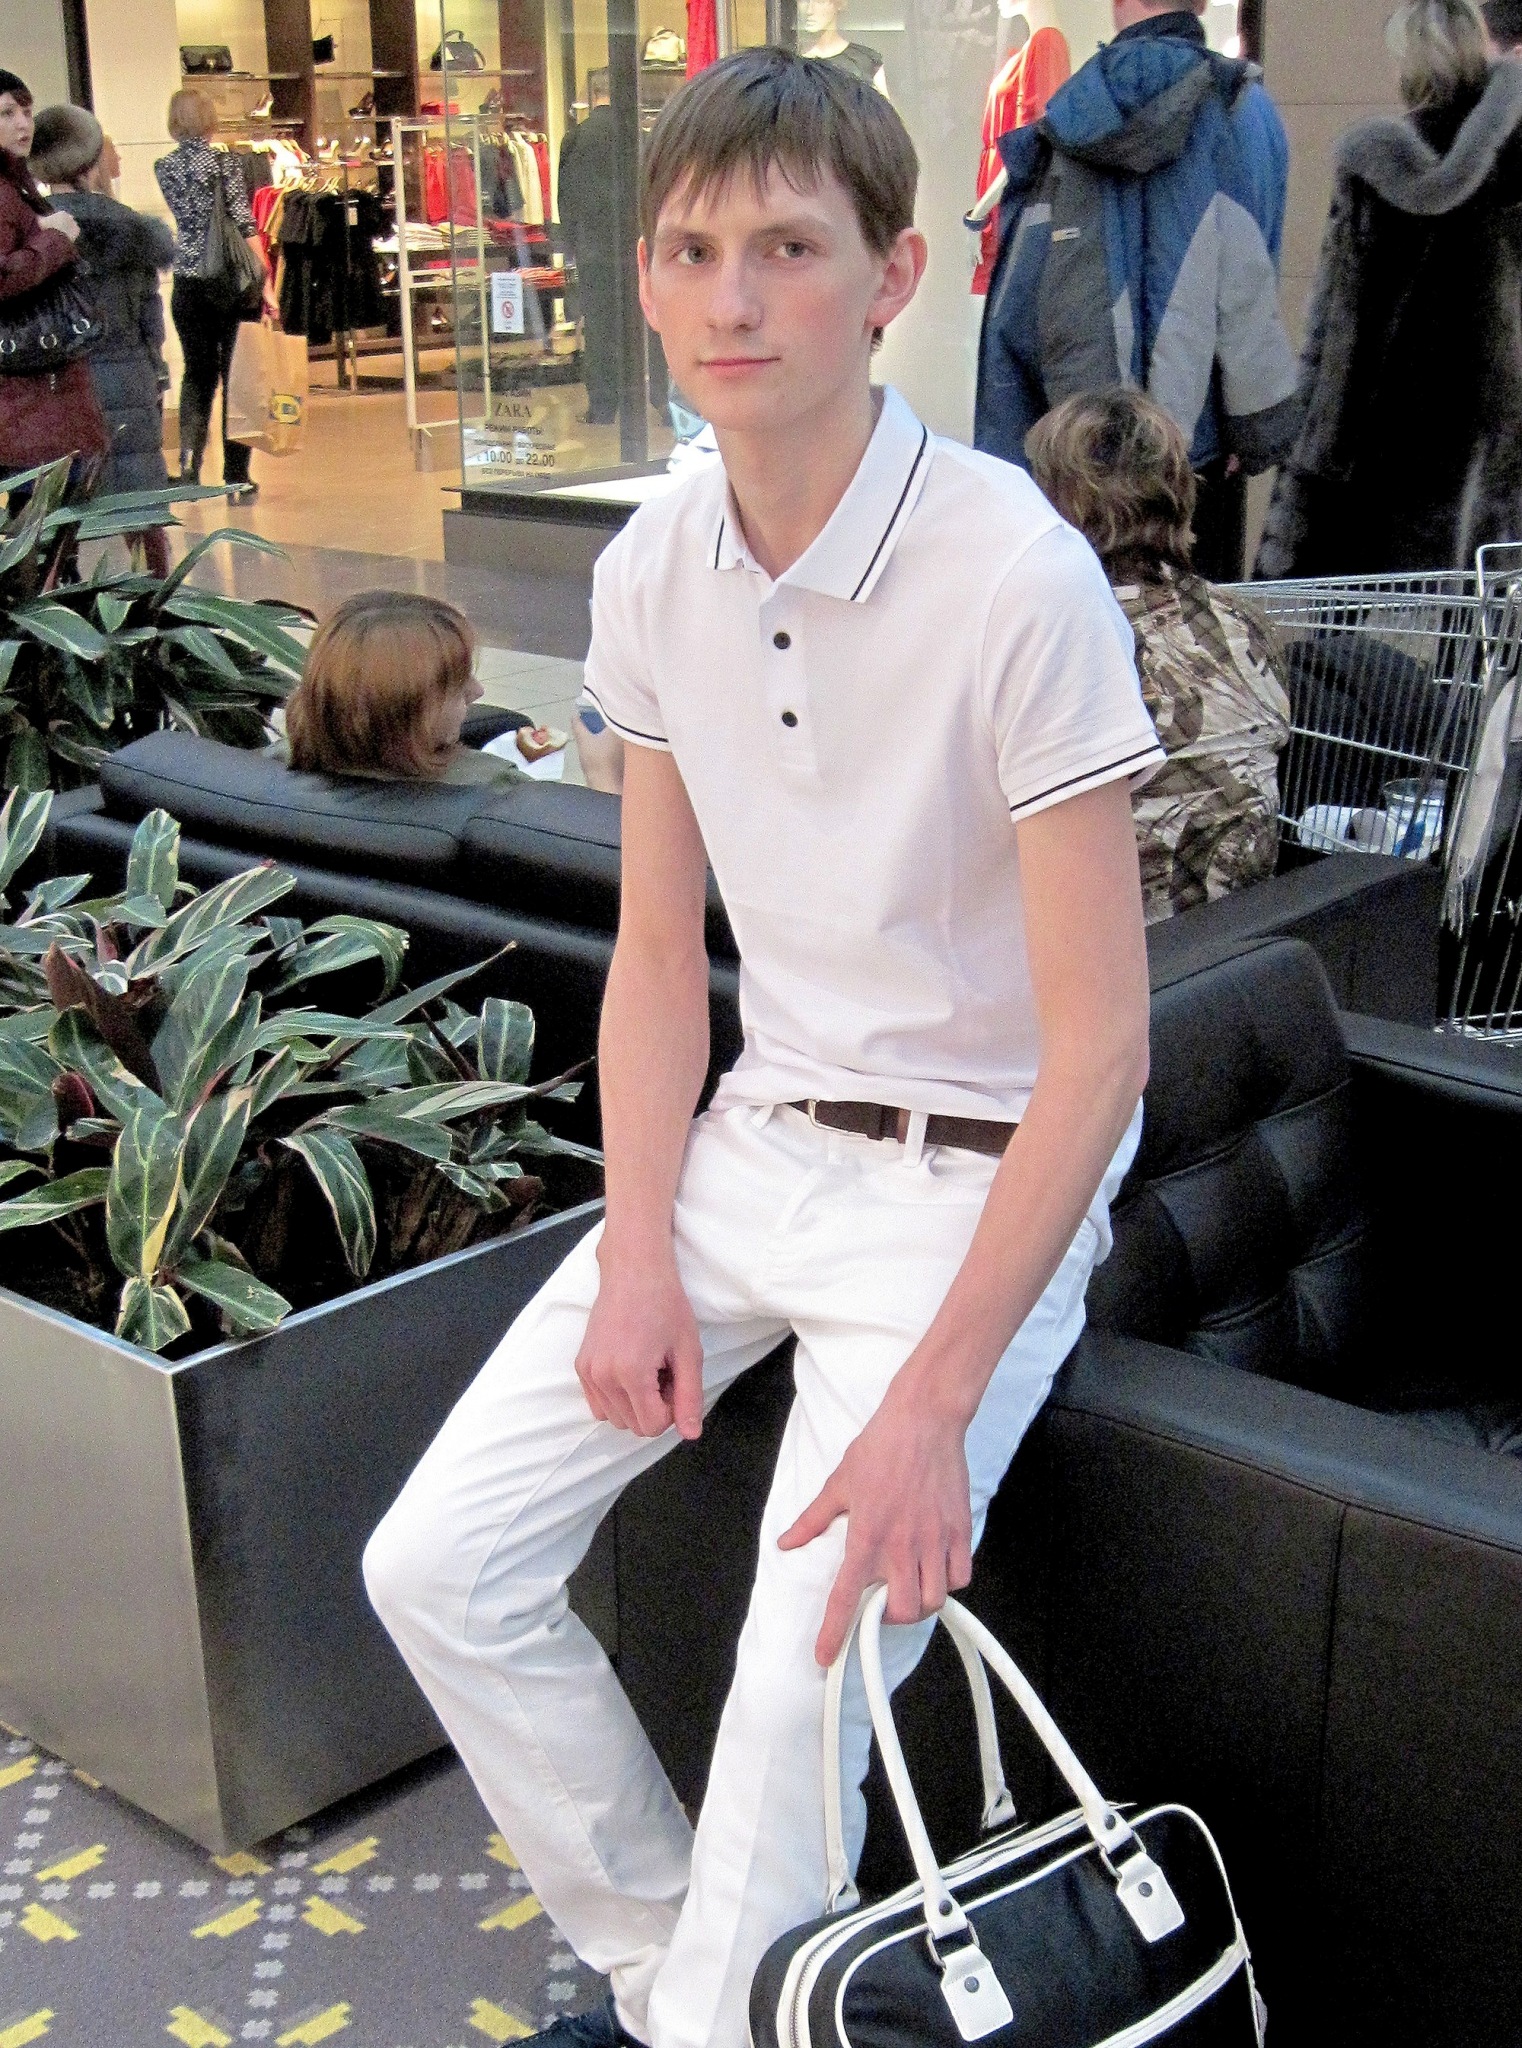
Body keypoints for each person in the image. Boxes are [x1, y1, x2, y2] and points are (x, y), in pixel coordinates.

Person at [364, 47, 1161, 2048]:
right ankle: (681, 1987)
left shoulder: (1016, 573)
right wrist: (637, 1246)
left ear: (891, 275)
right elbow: (655, 955)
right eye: (692, 250)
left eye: (787, 249)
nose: (732, 297)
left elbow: (1100, 1053)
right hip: (757, 1138)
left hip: (974, 1182)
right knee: (436, 1563)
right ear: (643, 279)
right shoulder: (650, 566)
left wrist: (936, 1396)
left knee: (793, 1699)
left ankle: (712, 2010)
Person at [974, 0, 1301, 580]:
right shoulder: (1245, 111)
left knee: (1086, 626)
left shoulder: (1070, 115)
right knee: (1196, 627)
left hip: (1080, 464)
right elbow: (1254, 280)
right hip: (1199, 464)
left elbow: (1018, 310)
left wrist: (1006, 448)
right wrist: (1253, 429)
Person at [1256, 0, 1522, 577]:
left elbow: (1343, 330)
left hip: (1388, 449)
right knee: (1481, 614)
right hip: (1495, 454)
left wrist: (1312, 475)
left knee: (1375, 619)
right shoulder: (1514, 163)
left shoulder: (1374, 165)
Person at [1029, 388, 1290, 922]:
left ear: (1055, 499)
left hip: (1101, 949)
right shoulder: (1243, 623)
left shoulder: (1048, 633)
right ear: (1179, 490)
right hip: (1238, 939)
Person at [30, 105, 175, 576]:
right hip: (127, 378)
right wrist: (156, 372)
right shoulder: (130, 229)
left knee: (54, 522)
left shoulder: (30, 232)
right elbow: (149, 318)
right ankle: (157, 603)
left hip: (55, 388)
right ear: (92, 160)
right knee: (142, 513)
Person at [154, 86, 271, 503]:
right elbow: (242, 221)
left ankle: (189, 466)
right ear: (209, 119)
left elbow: (190, 220)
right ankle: (235, 473)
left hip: (188, 281)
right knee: (236, 376)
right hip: (230, 281)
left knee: (197, 374)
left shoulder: (164, 167)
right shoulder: (226, 163)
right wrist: (265, 279)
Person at [281, 591, 526, 786]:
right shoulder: (498, 789)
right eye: (457, 683)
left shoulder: (271, 766)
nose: (477, 691)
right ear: (405, 707)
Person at [0, 70, 107, 488]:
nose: (23, 124)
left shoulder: (15, 182)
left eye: (26, 112)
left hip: (33, 395)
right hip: (27, 397)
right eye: (7, 113)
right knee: (44, 520)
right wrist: (55, 238)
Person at [558, 71, 620, 427]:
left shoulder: (576, 139)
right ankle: (658, 399)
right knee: (645, 325)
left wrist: (570, 244)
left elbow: (566, 200)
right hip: (634, 245)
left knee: (599, 326)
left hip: (593, 248)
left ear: (592, 95)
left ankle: (603, 404)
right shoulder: (638, 137)